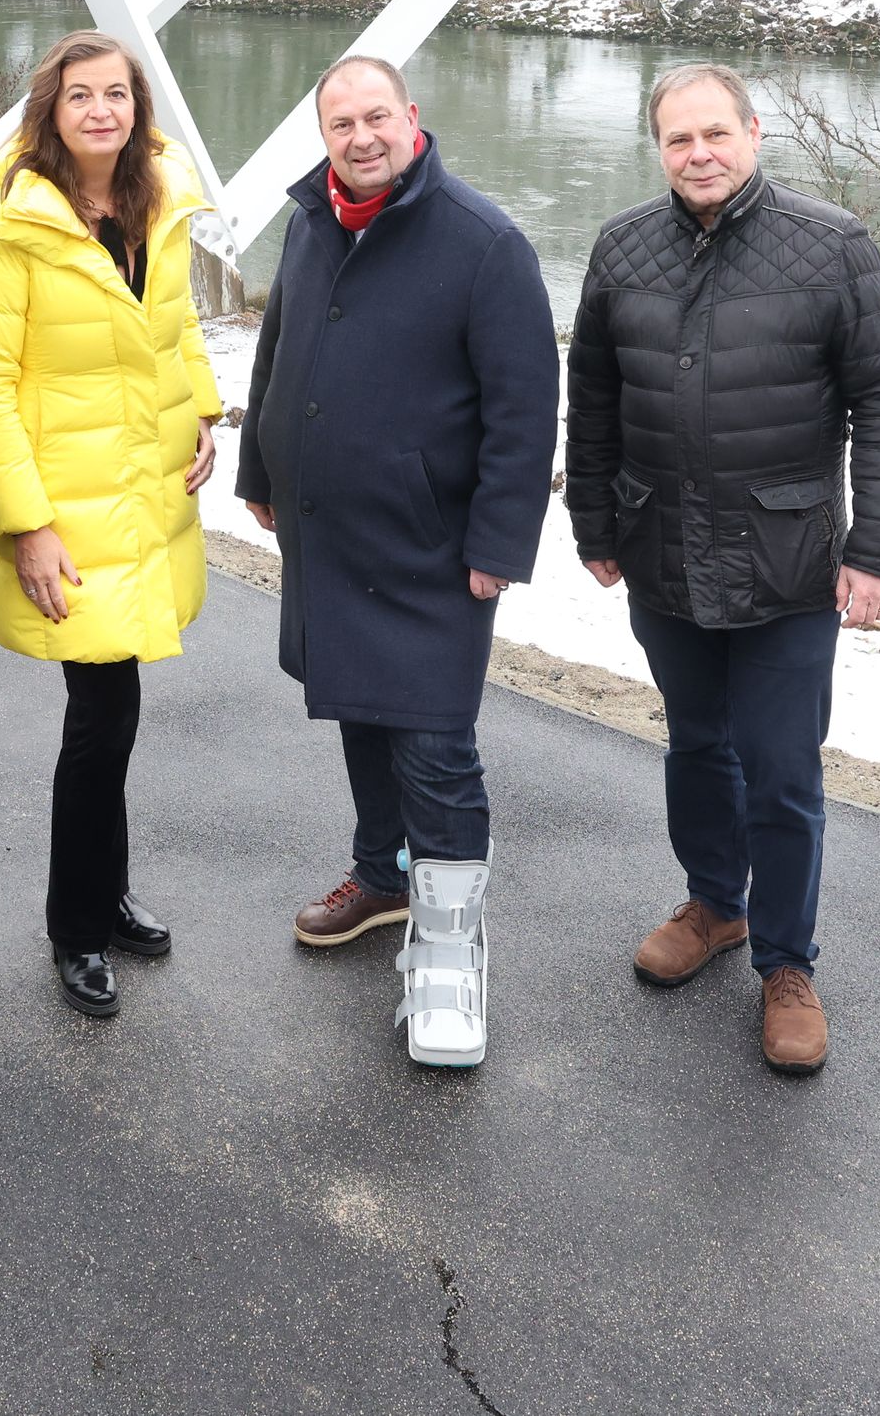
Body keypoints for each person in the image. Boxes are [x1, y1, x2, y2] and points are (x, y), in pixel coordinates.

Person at [564, 60, 880, 1077]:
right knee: (694, 747)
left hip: (788, 562)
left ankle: (787, 964)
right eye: (678, 140)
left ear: (753, 134)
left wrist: (875, 550)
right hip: (662, 549)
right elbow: (590, 397)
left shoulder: (831, 247)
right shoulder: (622, 249)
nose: (698, 154)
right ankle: (715, 904)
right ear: (659, 149)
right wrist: (594, 520)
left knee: (782, 771)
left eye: (715, 133)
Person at [234, 53, 555, 1067]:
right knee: (361, 710)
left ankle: (451, 951)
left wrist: (500, 545)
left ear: (411, 117)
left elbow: (522, 410)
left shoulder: (483, 243)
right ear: (324, 136)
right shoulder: (312, 220)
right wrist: (261, 464)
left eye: (377, 117)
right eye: (341, 124)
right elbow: (279, 346)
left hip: (430, 546)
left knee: (433, 742)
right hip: (330, 527)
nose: (361, 137)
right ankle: (380, 877)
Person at [0, 30, 224, 1022]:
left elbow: (176, 324)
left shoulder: (159, 205)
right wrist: (28, 525)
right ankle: (76, 930)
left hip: (146, 488)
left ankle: (103, 896)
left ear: (137, 108)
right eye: (81, 96)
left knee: (115, 715)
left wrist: (203, 411)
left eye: (117, 94)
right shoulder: (7, 234)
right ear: (51, 111)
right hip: (71, 509)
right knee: (97, 718)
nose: (101, 110)